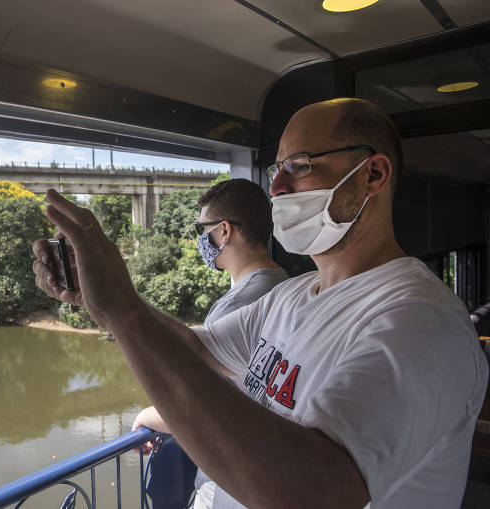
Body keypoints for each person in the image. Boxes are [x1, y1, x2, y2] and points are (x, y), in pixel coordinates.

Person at [32, 98, 488, 508]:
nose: (277, 188)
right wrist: (108, 298)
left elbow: (310, 492)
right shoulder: (291, 294)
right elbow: (195, 352)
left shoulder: (420, 321)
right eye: (276, 171)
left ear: (373, 174)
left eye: (301, 165)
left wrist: (123, 311)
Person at [131, 178, 288, 509]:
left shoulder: (236, 306)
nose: (201, 240)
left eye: (204, 230)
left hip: (228, 487)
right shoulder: (288, 288)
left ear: (225, 232)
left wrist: (149, 416)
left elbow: (204, 408)